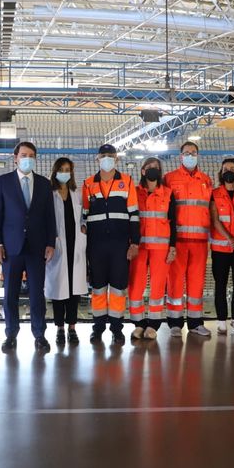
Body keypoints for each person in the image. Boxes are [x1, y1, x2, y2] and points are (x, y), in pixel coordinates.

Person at [0, 142, 57, 353]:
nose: (27, 158)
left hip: (37, 247)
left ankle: (39, 335)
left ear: (35, 158)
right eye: (23, 155)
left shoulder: (44, 184)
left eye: (31, 155)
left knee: (37, 294)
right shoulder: (3, 182)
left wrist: (50, 243)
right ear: (15, 157)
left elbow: (49, 216)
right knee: (10, 294)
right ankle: (11, 334)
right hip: (11, 248)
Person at [82, 144, 140, 346]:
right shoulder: (88, 183)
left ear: (117, 159)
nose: (107, 158)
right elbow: (84, 216)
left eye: (111, 156)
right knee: (98, 289)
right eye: (103, 155)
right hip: (96, 245)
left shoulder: (127, 181)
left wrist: (134, 243)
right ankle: (97, 329)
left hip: (120, 245)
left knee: (117, 289)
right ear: (97, 159)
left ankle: (117, 329)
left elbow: (134, 214)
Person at [164, 140, 214, 338]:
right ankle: (174, 323)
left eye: (193, 152)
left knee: (197, 283)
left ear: (198, 155)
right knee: (175, 281)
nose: (190, 155)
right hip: (179, 241)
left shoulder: (206, 180)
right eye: (187, 152)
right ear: (180, 156)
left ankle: (195, 323)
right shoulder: (169, 178)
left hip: (200, 241)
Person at [128, 157, 176, 340]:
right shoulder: (134, 192)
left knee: (157, 287)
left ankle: (153, 324)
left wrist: (172, 246)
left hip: (161, 248)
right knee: (136, 285)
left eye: (156, 167)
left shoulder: (168, 194)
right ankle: (138, 323)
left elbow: (173, 223)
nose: (152, 170)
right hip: (139, 247)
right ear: (142, 171)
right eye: (149, 167)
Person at [44, 158, 87, 346]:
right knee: (58, 291)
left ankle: (72, 328)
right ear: (55, 172)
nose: (64, 172)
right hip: (58, 247)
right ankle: (60, 328)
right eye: (61, 169)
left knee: (73, 292)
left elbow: (84, 216)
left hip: (75, 245)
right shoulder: (49, 194)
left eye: (67, 169)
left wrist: (84, 227)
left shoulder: (77, 194)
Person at [209, 158, 234, 335]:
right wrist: (230, 238)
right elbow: (215, 219)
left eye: (232, 168)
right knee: (220, 284)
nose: (228, 171)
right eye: (225, 168)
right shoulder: (215, 193)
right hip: (220, 248)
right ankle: (221, 320)